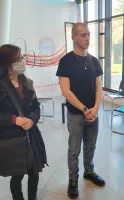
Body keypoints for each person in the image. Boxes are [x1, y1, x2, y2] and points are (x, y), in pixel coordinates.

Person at [56, 22, 105, 199]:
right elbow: (65, 90)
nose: (87, 38)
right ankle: (73, 180)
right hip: (76, 115)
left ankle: (89, 171)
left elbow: (99, 86)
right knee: (74, 150)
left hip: (93, 114)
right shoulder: (66, 61)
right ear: (74, 37)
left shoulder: (93, 60)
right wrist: (85, 109)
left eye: (88, 34)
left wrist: (95, 108)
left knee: (91, 146)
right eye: (83, 35)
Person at [0, 44, 47, 200]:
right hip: (13, 139)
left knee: (34, 173)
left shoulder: (27, 82)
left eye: (22, 57)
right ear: (7, 62)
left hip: (31, 135)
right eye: (18, 58)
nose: (22, 61)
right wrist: (15, 119)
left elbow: (36, 107)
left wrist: (32, 120)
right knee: (18, 175)